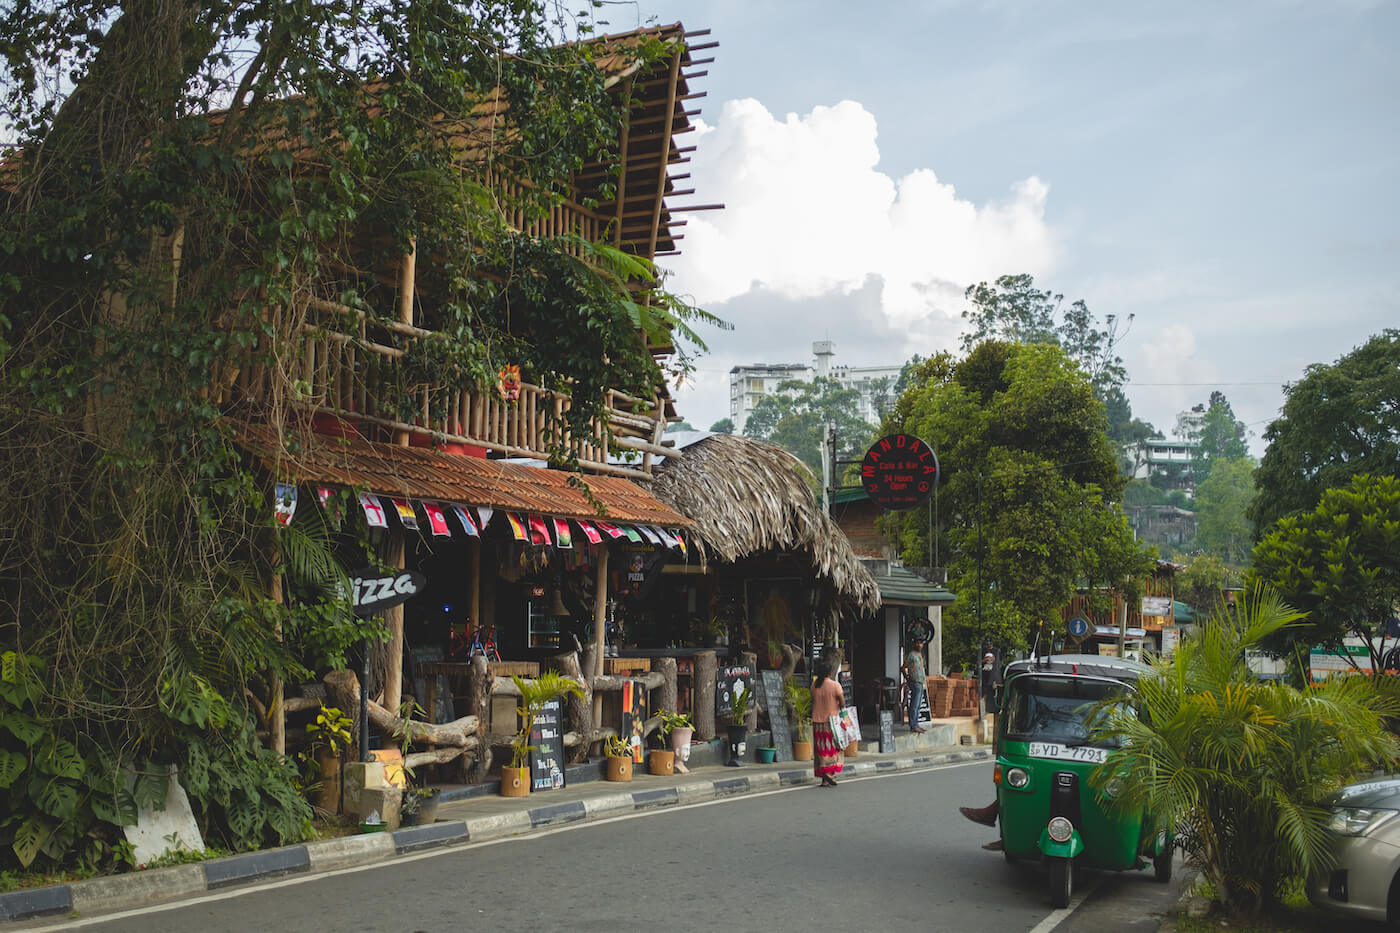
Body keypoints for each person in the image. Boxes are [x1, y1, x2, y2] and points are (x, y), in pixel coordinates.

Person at [810, 660, 845, 787]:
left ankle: (824, 778)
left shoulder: (814, 685)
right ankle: (828, 773)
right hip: (831, 722)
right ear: (830, 673)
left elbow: (813, 699)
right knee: (832, 748)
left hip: (817, 721)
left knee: (820, 748)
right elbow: (842, 702)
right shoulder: (835, 685)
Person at [901, 637, 928, 733]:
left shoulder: (920, 654)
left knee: (918, 705)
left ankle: (916, 724)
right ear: (915, 644)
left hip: (920, 682)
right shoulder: (911, 655)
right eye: (917, 643)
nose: (919, 645)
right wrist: (907, 678)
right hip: (914, 682)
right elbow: (903, 667)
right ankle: (913, 725)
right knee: (914, 704)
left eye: (921, 643)